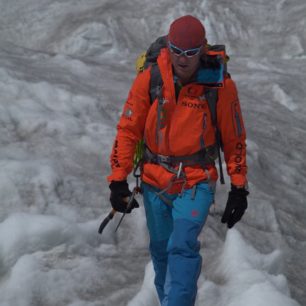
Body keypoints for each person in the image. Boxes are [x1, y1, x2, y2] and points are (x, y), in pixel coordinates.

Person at [107, 15, 249, 306]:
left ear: (203, 50)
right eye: (178, 51)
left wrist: (239, 187)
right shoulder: (150, 78)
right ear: (168, 48)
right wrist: (117, 180)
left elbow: (234, 138)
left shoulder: (220, 85)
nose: (183, 59)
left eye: (191, 52)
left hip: (196, 180)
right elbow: (128, 128)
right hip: (153, 179)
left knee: (182, 248)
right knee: (161, 252)